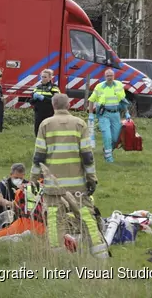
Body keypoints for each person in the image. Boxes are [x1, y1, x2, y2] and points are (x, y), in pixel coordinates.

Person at [30, 93, 108, 258]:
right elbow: (87, 155)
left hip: (53, 186)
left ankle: (57, 255)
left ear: (53, 106)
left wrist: (34, 179)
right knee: (87, 218)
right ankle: (100, 254)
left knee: (54, 220)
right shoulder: (80, 124)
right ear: (69, 104)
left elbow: (39, 156)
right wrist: (91, 178)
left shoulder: (45, 124)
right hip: (77, 185)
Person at [88, 69, 131, 163]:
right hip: (104, 114)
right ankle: (108, 157)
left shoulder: (119, 85)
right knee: (107, 136)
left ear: (114, 76)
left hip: (115, 114)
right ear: (104, 77)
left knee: (116, 138)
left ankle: (107, 149)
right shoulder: (99, 87)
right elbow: (91, 100)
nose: (109, 77)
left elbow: (123, 100)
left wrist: (127, 112)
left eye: (111, 75)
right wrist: (91, 114)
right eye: (107, 75)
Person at [29, 69, 61, 137]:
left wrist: (43, 98)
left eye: (45, 77)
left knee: (49, 130)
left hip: (49, 112)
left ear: (50, 78)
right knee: (37, 130)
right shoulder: (37, 88)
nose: (43, 79)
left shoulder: (54, 88)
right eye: (42, 77)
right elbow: (31, 101)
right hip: (38, 112)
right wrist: (33, 99)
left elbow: (57, 101)